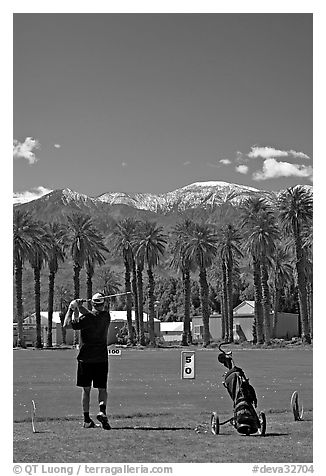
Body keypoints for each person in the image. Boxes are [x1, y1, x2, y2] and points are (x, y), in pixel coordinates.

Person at [63, 292, 111, 429]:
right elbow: (92, 315)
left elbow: (66, 325)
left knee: (86, 390)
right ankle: (102, 411)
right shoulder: (106, 316)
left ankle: (86, 420)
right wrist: (80, 306)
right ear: (103, 304)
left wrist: (72, 309)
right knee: (102, 388)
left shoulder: (86, 319)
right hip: (101, 358)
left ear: (93, 303)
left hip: (85, 359)